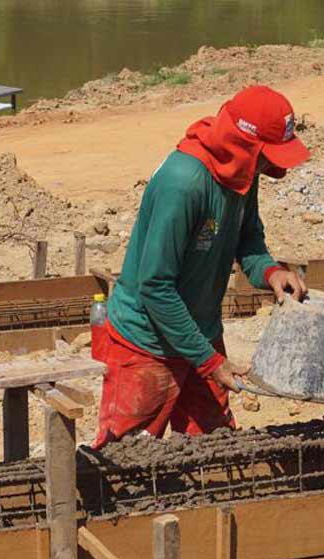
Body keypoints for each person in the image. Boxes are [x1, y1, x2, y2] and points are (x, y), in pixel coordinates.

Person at [92, 85, 309, 449]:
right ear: (245, 146)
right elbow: (155, 286)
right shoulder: (184, 183)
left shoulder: (243, 174)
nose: (270, 166)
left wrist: (271, 272)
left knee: (215, 448)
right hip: (147, 342)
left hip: (199, 335)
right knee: (127, 455)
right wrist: (210, 363)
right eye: (266, 157)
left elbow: (248, 241)